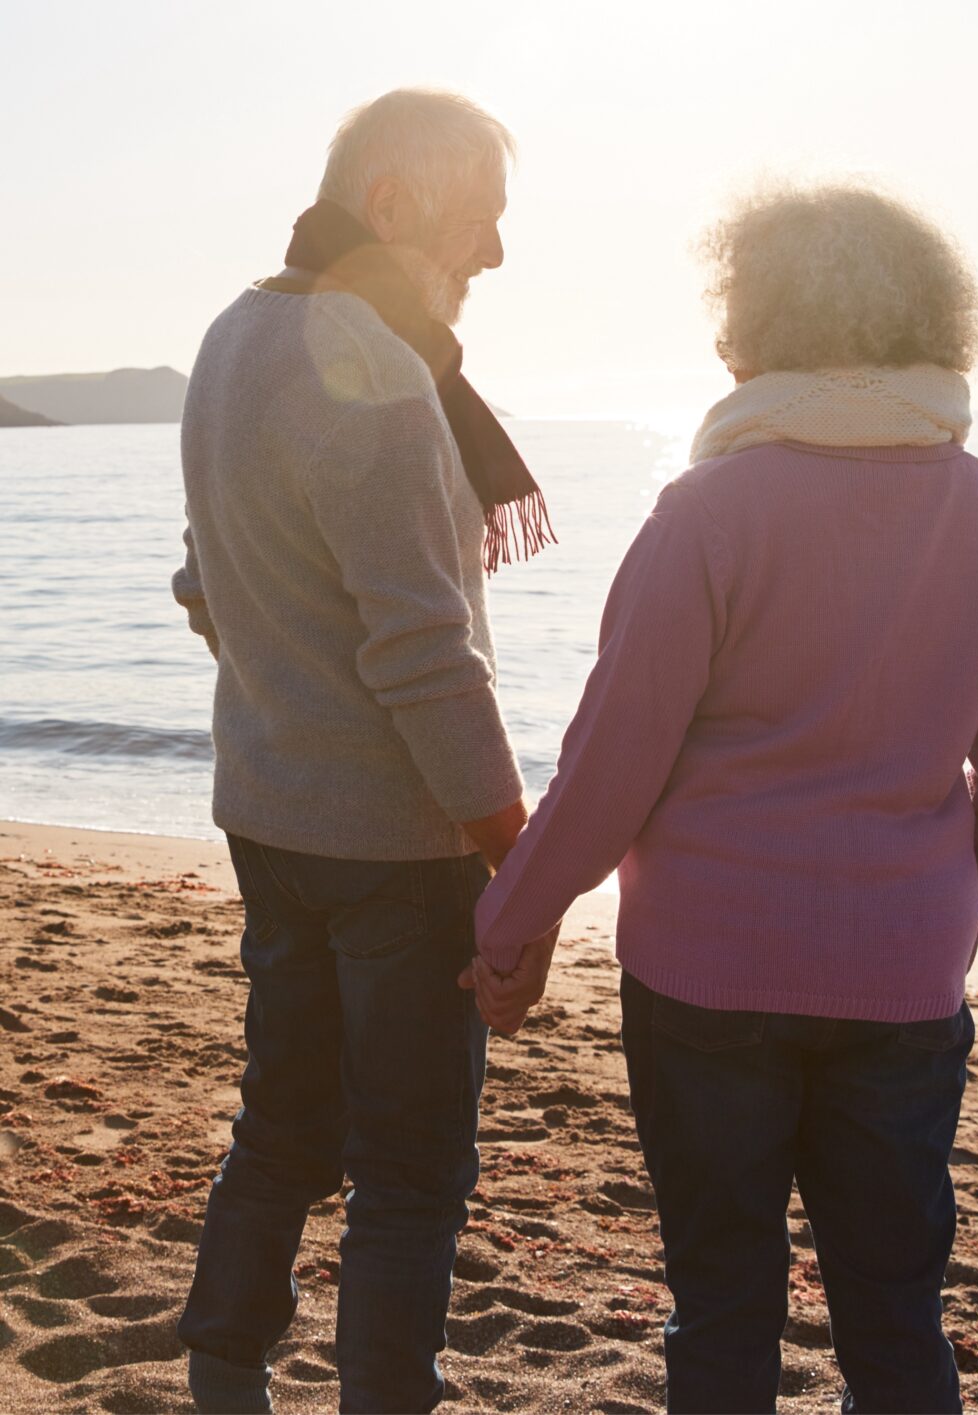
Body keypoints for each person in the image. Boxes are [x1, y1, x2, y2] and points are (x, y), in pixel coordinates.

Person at [469, 183, 978, 1413]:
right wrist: (933, 907)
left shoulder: (707, 513)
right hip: (904, 982)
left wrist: (510, 924)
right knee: (896, 1313)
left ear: (759, 326)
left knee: (724, 1305)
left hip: (705, 979)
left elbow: (609, 769)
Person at [170, 88, 553, 1415]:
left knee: (282, 1120)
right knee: (411, 1163)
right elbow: (425, 655)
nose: (495, 253)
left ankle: (225, 1378)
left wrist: (285, 688)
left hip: (269, 816)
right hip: (395, 848)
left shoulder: (233, 334)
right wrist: (518, 852)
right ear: (392, 204)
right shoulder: (378, 371)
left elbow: (201, 578)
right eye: (482, 218)